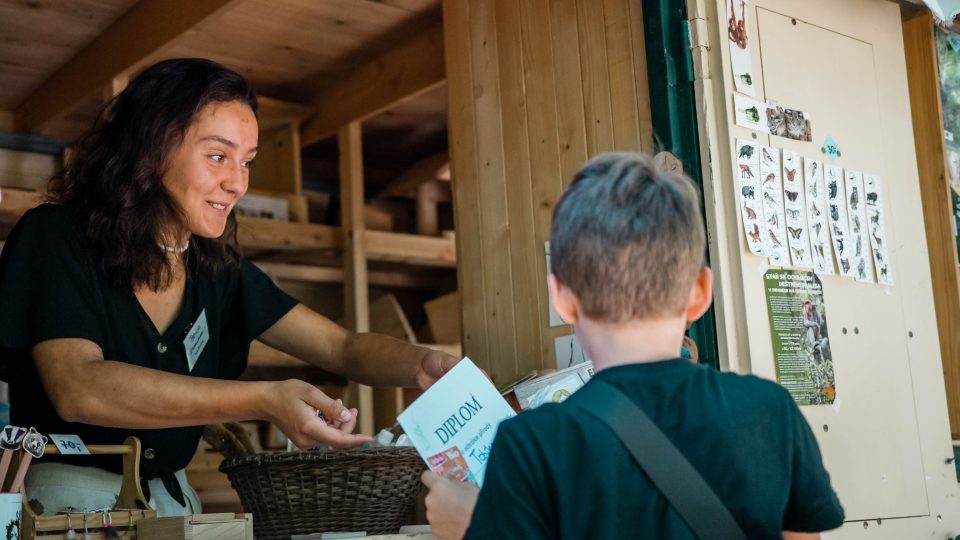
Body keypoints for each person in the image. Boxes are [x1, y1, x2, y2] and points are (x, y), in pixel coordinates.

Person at [0, 58, 458, 516]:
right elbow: (79, 388)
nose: (237, 182)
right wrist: (264, 399)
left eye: (247, 162)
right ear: (150, 148)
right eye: (217, 156)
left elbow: (342, 348)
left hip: (175, 504)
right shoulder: (56, 237)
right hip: (63, 507)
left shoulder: (216, 268)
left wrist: (421, 365)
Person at [421, 152, 844, 539]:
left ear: (562, 298)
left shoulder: (531, 444)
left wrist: (476, 528)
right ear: (700, 292)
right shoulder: (770, 410)